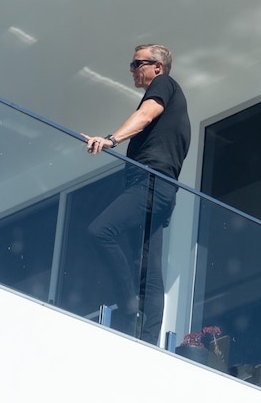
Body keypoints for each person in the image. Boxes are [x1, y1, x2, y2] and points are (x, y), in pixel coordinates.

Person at [84, 44, 190, 345]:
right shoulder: (167, 90)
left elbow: (145, 114)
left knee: (100, 231)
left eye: (137, 63)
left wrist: (110, 140)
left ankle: (129, 307)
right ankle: (146, 341)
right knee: (149, 269)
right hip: (158, 188)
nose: (132, 69)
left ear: (158, 66)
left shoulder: (164, 84)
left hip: (151, 183)